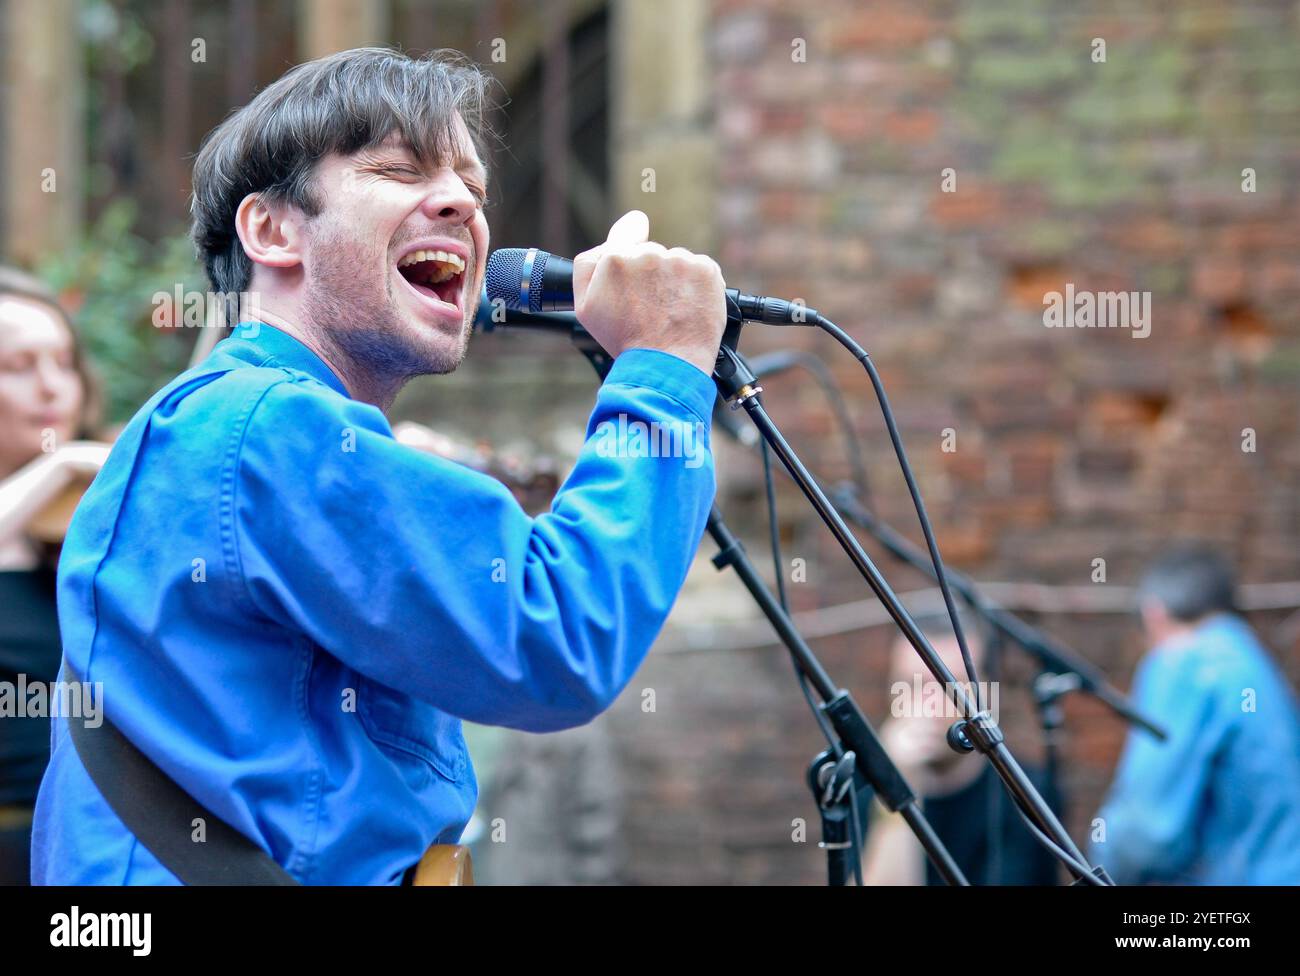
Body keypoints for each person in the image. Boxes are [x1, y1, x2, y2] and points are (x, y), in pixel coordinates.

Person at [31, 47, 727, 885]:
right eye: (398, 169)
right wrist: (661, 372)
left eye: (473, 188)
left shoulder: (255, 429)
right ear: (272, 230)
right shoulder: (263, 425)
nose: (460, 204)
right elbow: (555, 638)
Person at [1090, 543, 1300, 884]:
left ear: (1153, 613)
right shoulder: (1254, 663)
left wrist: (1100, 867)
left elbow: (1144, 832)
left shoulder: (1186, 662)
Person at [0, 267, 108, 884]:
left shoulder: (90, 510)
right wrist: (57, 465)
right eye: (19, 367)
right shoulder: (62, 479)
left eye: (63, 363)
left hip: (93, 839)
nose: (52, 389)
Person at [862, 617, 1060, 885]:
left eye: (949, 686)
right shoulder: (862, 788)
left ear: (987, 694)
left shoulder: (1027, 796)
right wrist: (899, 788)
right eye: (912, 685)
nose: (928, 705)